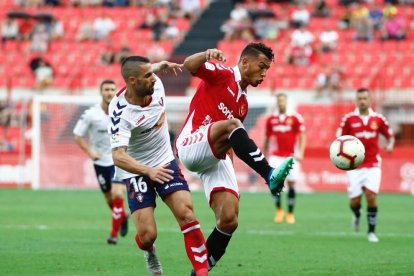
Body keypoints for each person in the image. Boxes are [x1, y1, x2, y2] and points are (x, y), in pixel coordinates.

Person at [175, 43, 294, 274]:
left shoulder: (243, 103)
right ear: (245, 62)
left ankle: (198, 272)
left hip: (216, 154)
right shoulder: (223, 74)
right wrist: (205, 53)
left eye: (267, 69)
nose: (264, 74)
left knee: (229, 220)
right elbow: (189, 65)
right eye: (261, 67)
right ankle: (269, 174)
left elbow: (231, 141)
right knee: (233, 125)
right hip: (190, 143)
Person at [110, 56, 208, 276]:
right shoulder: (120, 113)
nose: (154, 79)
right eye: (148, 76)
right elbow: (118, 156)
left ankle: (202, 272)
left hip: (164, 160)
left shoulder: (156, 83)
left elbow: (146, 72)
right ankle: (149, 251)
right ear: (133, 81)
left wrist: (159, 66)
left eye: (153, 74)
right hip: (136, 169)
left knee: (187, 214)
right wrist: (148, 171)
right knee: (147, 236)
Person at [73, 80, 128, 245]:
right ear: (101, 92)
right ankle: (122, 217)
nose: (110, 92)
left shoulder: (123, 112)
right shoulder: (91, 114)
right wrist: (90, 152)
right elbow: (77, 134)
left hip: (118, 159)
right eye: (106, 90)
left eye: (112, 89)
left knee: (118, 194)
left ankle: (113, 234)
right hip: (100, 162)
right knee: (109, 199)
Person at [336, 87, 394, 243]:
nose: (362, 101)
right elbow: (339, 140)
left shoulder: (378, 119)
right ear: (356, 100)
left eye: (365, 98)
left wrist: (389, 145)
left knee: (371, 196)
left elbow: (390, 135)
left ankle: (371, 232)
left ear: (370, 100)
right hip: (354, 165)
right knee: (355, 201)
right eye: (359, 98)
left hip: (373, 163)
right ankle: (356, 214)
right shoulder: (349, 119)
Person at [264, 93, 306, 224]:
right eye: (279, 101)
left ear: (286, 102)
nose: (281, 103)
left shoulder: (295, 117)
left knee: (291, 184)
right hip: (276, 156)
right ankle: (279, 210)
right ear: (277, 102)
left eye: (283, 100)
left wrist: (301, 153)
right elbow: (267, 138)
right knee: (273, 184)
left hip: (291, 156)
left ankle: (290, 213)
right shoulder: (271, 119)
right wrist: (264, 154)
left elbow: (302, 136)